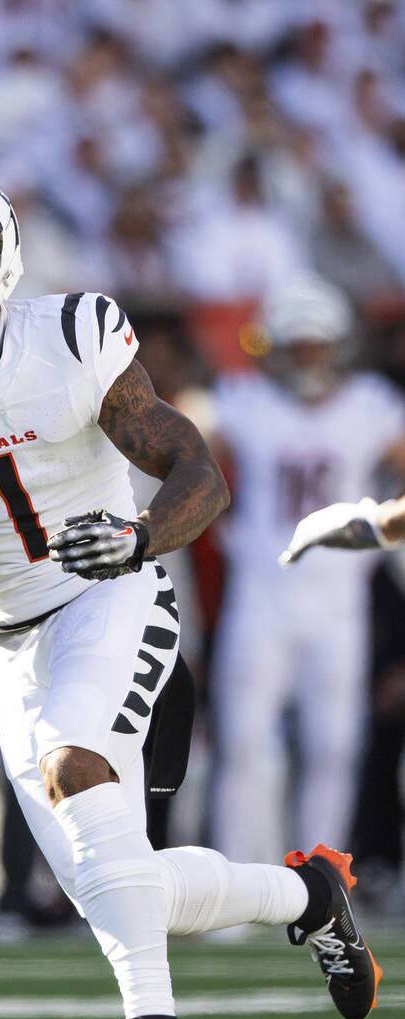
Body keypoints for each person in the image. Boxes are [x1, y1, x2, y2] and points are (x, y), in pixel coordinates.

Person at [0, 161, 382, 1019]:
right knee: (114, 886)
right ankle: (309, 893)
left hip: (111, 591)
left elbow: (201, 475)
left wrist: (138, 538)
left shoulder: (73, 336)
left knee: (73, 760)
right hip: (8, 635)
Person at [206, 274, 405, 865]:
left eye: (317, 344)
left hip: (340, 599)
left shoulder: (371, 404)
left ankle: (322, 889)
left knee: (335, 747)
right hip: (261, 593)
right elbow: (187, 453)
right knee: (243, 744)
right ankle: (235, 883)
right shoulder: (242, 400)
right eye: (297, 345)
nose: (309, 357)